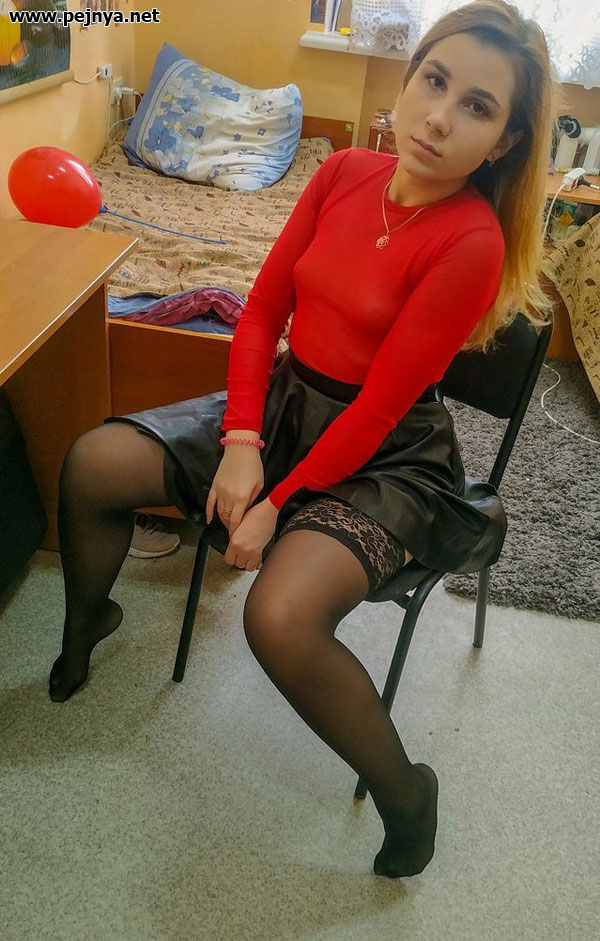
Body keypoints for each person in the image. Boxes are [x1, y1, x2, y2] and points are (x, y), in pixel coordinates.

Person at [49, 0, 560, 878]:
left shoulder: (470, 242)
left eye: (477, 106)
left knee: (279, 617)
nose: (440, 116)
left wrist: (277, 504)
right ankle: (91, 616)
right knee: (94, 462)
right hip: (287, 405)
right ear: (409, 78)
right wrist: (243, 438)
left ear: (505, 140)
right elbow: (261, 313)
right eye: (434, 80)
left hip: (386, 452)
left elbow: (379, 408)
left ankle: (408, 792)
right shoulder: (345, 171)